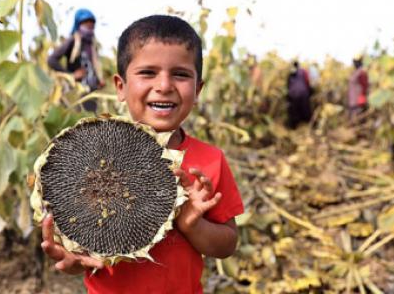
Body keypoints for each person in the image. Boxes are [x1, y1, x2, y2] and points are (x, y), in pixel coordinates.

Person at [40, 15, 245, 293]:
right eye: (148, 72)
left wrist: (191, 224)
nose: (164, 85)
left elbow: (227, 245)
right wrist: (75, 259)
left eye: (181, 74)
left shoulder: (209, 161)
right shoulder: (93, 154)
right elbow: (82, 247)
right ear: (121, 87)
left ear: (197, 90)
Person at [47, 8, 104, 112]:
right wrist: (70, 75)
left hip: (91, 92)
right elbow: (52, 60)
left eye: (92, 25)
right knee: (77, 120)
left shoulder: (92, 44)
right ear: (79, 24)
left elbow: (92, 65)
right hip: (77, 90)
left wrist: (98, 80)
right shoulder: (73, 41)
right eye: (87, 24)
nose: (90, 27)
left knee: (91, 121)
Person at [286, 60, 313, 129]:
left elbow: (288, 84)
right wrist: (309, 91)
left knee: (294, 110)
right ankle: (308, 125)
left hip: (293, 94)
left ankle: (293, 126)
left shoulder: (290, 72)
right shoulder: (303, 71)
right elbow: (307, 81)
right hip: (303, 93)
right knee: (305, 109)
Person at [347, 55, 369, 120]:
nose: (355, 63)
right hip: (353, 102)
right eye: (354, 62)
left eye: (356, 62)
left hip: (359, 102)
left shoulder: (362, 73)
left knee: (360, 120)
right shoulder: (355, 72)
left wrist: (362, 100)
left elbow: (365, 87)